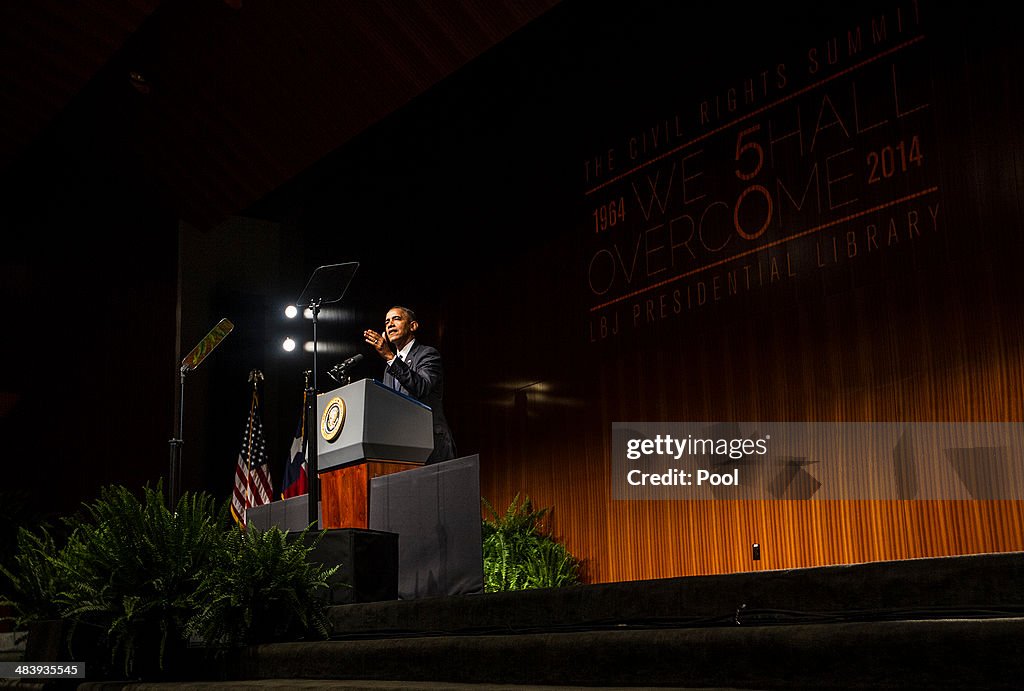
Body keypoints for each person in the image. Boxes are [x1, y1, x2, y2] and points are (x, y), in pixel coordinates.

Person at [363, 306, 456, 464]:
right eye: (387, 322)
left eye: (396, 319)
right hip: (402, 447)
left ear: (413, 326)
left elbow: (421, 387)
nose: (390, 324)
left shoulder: (427, 354)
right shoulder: (389, 367)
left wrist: (389, 356)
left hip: (431, 446)